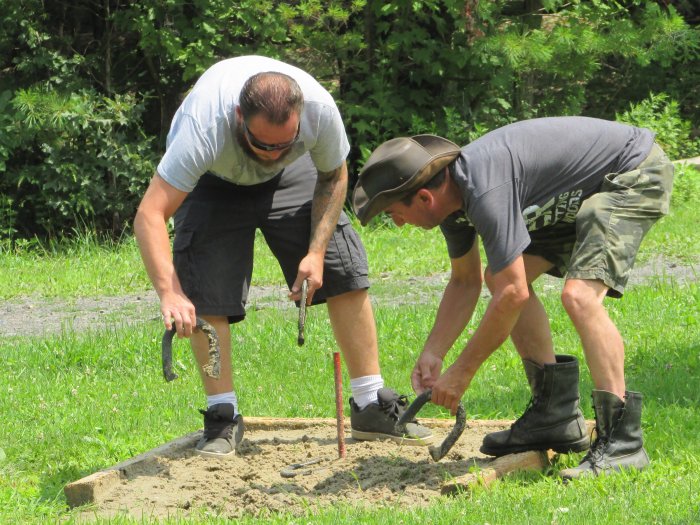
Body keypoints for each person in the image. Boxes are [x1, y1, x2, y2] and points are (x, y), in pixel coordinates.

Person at [133, 55, 432, 459]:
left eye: (283, 144)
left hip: (295, 178)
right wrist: (170, 293)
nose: (271, 153)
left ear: (300, 119)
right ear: (239, 116)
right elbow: (150, 213)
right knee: (205, 285)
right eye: (261, 143)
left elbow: (334, 175)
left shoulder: (320, 111)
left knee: (341, 264)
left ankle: (370, 404)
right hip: (213, 181)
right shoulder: (203, 129)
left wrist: (315, 251)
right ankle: (223, 416)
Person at [351, 116, 674, 479]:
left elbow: (513, 295)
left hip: (631, 172)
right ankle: (554, 416)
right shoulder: (453, 206)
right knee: (498, 276)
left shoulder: (484, 189)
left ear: (424, 197)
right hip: (571, 199)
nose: (397, 223)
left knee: (579, 296)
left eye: (395, 213)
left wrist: (460, 374)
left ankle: (622, 442)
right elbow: (465, 282)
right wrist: (434, 352)